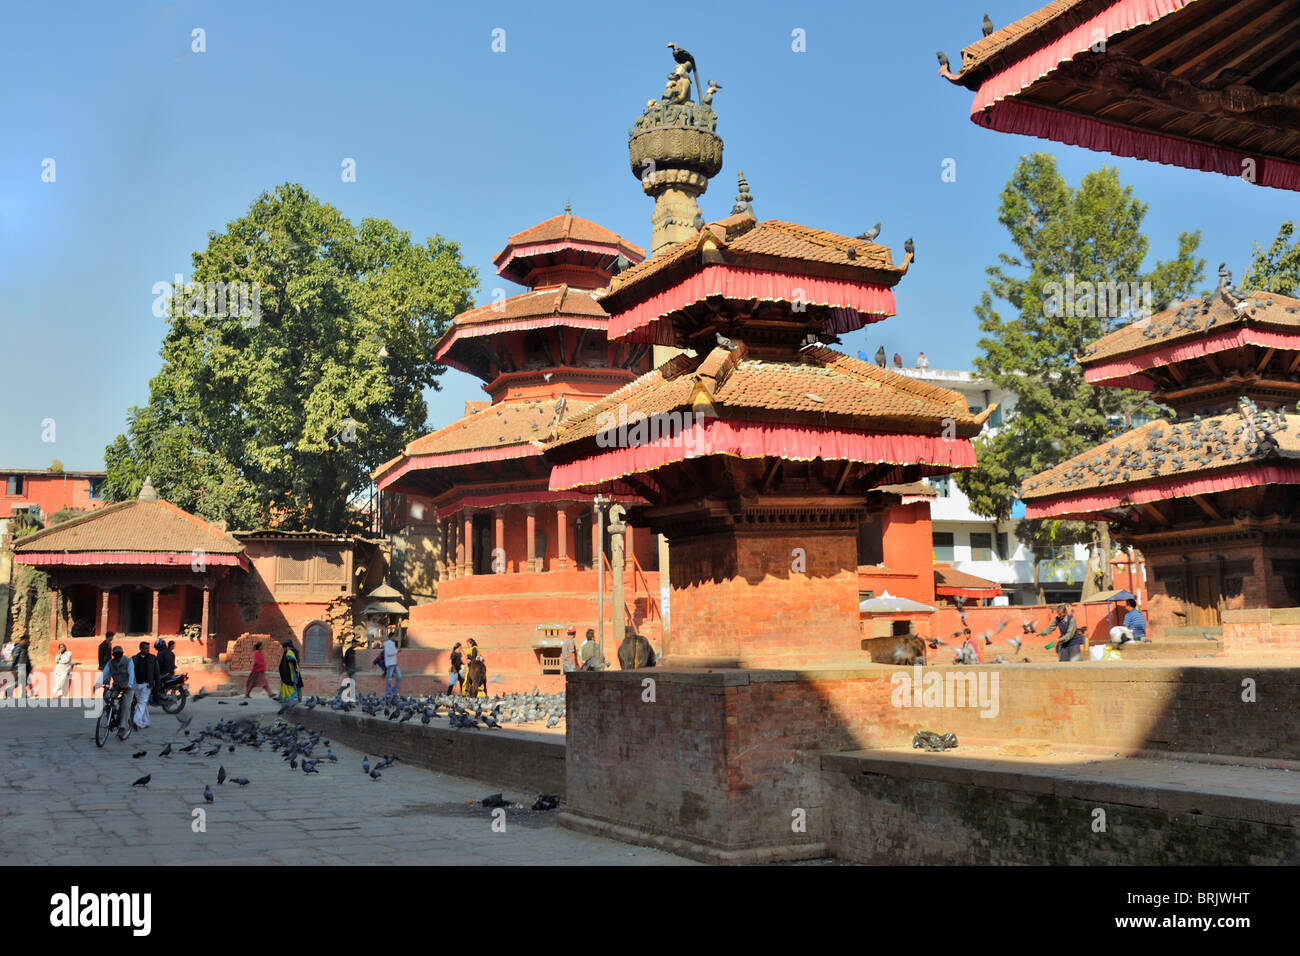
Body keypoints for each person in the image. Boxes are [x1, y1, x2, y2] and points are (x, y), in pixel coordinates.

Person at [94, 645, 136, 738]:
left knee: (125, 705)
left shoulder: (128, 661)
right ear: (113, 655)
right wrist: (97, 684)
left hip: (128, 686)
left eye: (119, 655)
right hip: (117, 685)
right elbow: (104, 674)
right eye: (115, 655)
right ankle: (112, 711)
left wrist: (129, 685)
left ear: (122, 654)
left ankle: (123, 727)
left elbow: (131, 674)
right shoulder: (110, 663)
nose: (117, 657)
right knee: (107, 696)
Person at [383, 630, 401, 699]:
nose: (395, 637)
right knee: (389, 679)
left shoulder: (392, 643)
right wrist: (397, 651)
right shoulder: (388, 643)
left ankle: (394, 691)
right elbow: (388, 653)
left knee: (399, 677)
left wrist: (396, 651)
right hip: (390, 664)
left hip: (394, 663)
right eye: (394, 636)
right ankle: (388, 693)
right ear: (391, 637)